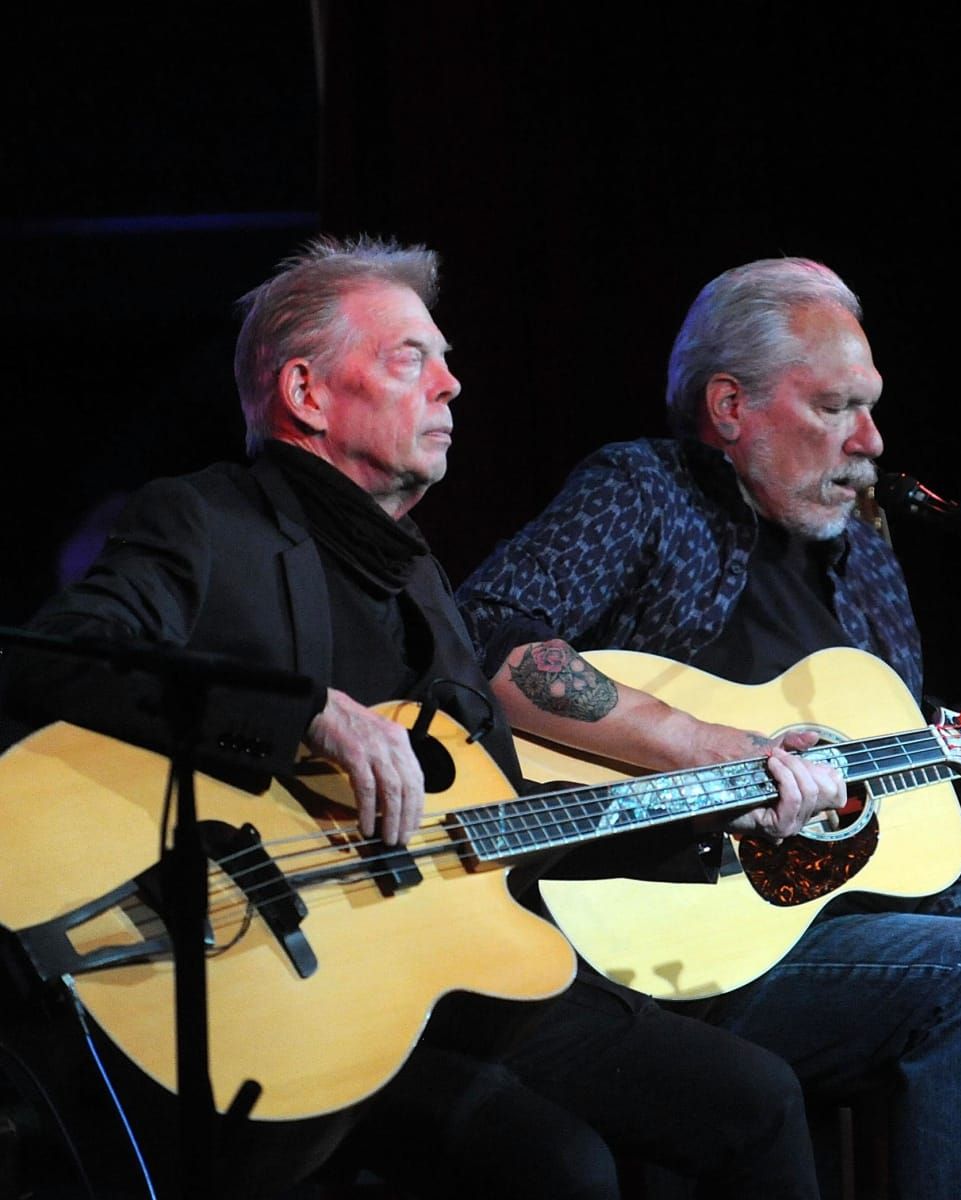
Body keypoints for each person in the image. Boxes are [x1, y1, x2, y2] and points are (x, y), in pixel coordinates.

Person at [0, 238, 830, 1200]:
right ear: (306, 394)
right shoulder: (202, 521)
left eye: (444, 358)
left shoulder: (423, 578)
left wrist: (719, 809)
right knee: (559, 1168)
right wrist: (303, 714)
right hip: (283, 984)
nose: (452, 383)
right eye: (410, 358)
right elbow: (54, 658)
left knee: (758, 1101)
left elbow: (505, 819)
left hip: (453, 966)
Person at [456, 256, 961, 1200]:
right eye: (835, 407)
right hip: (681, 937)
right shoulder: (644, 488)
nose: (872, 440)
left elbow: (914, 839)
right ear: (731, 407)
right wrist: (724, 750)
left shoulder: (868, 558)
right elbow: (485, 631)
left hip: (851, 921)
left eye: (872, 405)